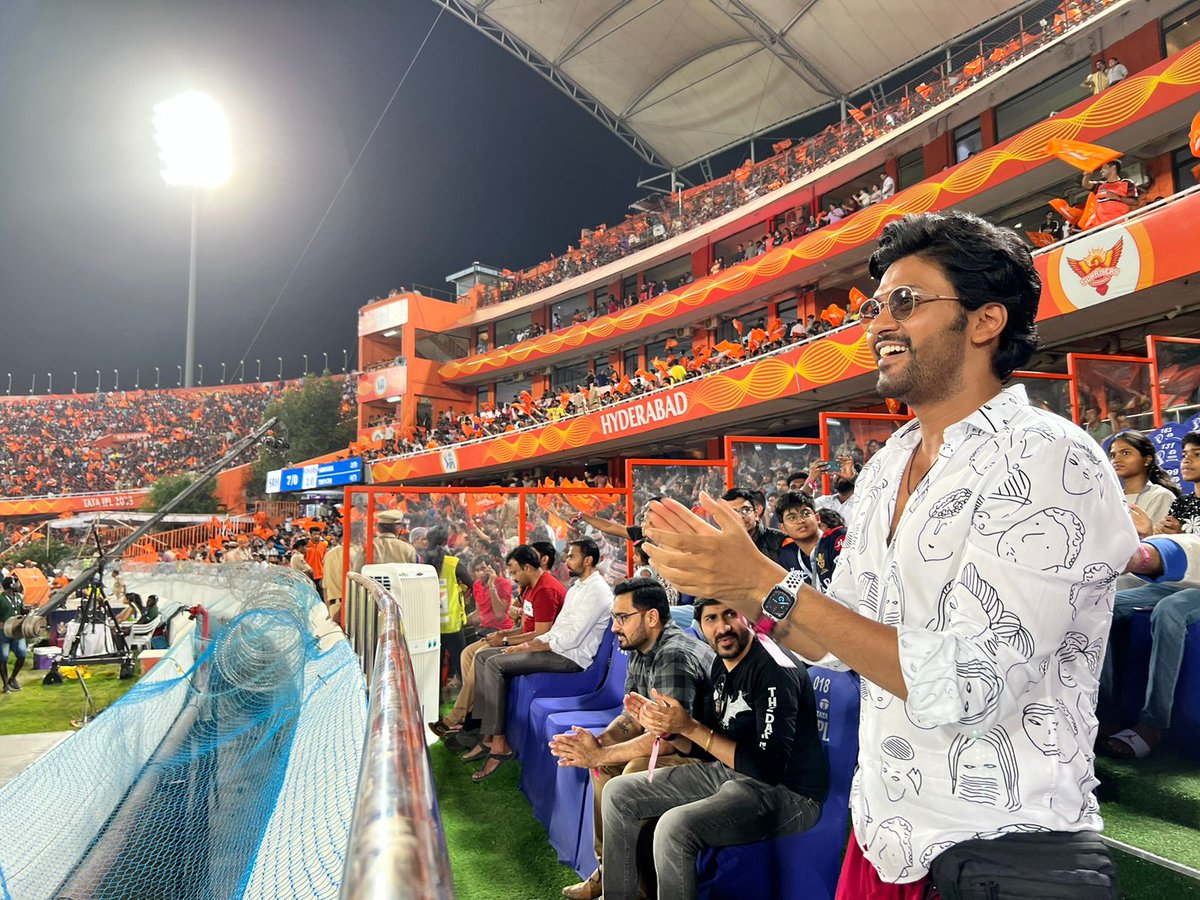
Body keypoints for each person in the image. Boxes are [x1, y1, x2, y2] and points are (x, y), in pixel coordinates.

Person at [643, 211, 1135, 896]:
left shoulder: (1050, 459)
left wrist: (761, 576)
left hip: (999, 845)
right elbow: (837, 639)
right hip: (883, 836)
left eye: (906, 302)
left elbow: (969, 681)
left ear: (986, 320)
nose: (877, 325)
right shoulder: (886, 467)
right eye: (877, 306)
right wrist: (752, 592)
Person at [600, 598, 828, 900]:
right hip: (732, 773)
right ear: (701, 626)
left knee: (674, 827)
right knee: (618, 793)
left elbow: (767, 769)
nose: (722, 627)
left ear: (745, 616)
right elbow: (708, 747)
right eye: (711, 619)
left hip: (789, 792)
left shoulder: (775, 669)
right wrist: (670, 728)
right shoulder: (721, 664)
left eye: (730, 614)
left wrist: (691, 727)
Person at [551, 578, 714, 900]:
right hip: (671, 746)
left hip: (706, 756)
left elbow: (668, 738)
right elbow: (633, 716)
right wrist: (601, 743)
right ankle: (609, 872)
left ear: (651, 617)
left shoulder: (674, 655)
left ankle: (632, 889)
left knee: (631, 773)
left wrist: (600, 754)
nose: (614, 628)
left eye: (622, 618)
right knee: (603, 769)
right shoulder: (641, 647)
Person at [465, 539, 613, 782]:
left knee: (494, 663)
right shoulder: (577, 587)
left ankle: (499, 743)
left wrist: (527, 645)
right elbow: (557, 630)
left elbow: (570, 639)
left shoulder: (597, 591)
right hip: (556, 648)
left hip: (571, 658)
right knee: (484, 658)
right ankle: (488, 735)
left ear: (588, 560)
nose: (566, 561)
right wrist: (524, 644)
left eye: (572, 557)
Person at [1100, 432, 1200, 759]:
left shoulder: (1161, 495)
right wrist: (1156, 536)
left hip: (1189, 586)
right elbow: (1178, 544)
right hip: (1177, 579)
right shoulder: (1186, 502)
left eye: (1196, 454)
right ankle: (1104, 714)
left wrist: (1148, 542)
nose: (1187, 460)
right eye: (1185, 454)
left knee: (1170, 610)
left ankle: (1153, 724)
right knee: (1103, 604)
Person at [429, 543, 565, 738]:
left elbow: (541, 633)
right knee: (468, 653)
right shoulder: (529, 587)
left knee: (479, 655)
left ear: (527, 567)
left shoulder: (546, 590)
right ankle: (474, 714)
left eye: (515, 572)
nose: (513, 578)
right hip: (523, 638)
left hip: (540, 646)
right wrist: (504, 635)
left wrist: (505, 640)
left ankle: (459, 716)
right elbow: (523, 626)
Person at [426, 526, 472, 693]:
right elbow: (469, 584)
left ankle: (433, 704)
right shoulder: (453, 563)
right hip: (452, 623)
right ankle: (468, 704)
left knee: (433, 668)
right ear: (446, 541)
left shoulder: (422, 563)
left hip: (430, 626)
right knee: (461, 665)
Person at [1110, 430, 1179, 529]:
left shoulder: (1160, 496)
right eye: (1113, 455)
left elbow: (1159, 540)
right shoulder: (1111, 498)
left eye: (1125, 453)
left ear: (1147, 460)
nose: (1116, 460)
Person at [775, 491, 843, 591]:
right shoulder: (787, 556)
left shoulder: (838, 539)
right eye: (792, 518)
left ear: (817, 518)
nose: (800, 520)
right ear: (782, 528)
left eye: (806, 514)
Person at [721, 487, 787, 564]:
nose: (740, 516)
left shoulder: (781, 541)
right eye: (733, 512)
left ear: (756, 514)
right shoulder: (719, 546)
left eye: (745, 510)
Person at [1083, 159, 1140, 226]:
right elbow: (1086, 184)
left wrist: (1118, 197)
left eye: (1104, 168)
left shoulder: (1127, 183)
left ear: (1113, 167)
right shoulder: (1099, 186)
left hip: (1120, 224)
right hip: (1100, 227)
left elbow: (1135, 202)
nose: (1101, 171)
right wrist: (1087, 175)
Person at [0, 576, 27, 692]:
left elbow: (21, 610)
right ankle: (5, 684)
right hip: (3, 632)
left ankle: (13, 678)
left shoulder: (18, 597)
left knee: (22, 654)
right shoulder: (1, 599)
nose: (18, 585)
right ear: (10, 586)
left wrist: (28, 610)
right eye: (15, 583)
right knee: (3, 658)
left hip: (17, 631)